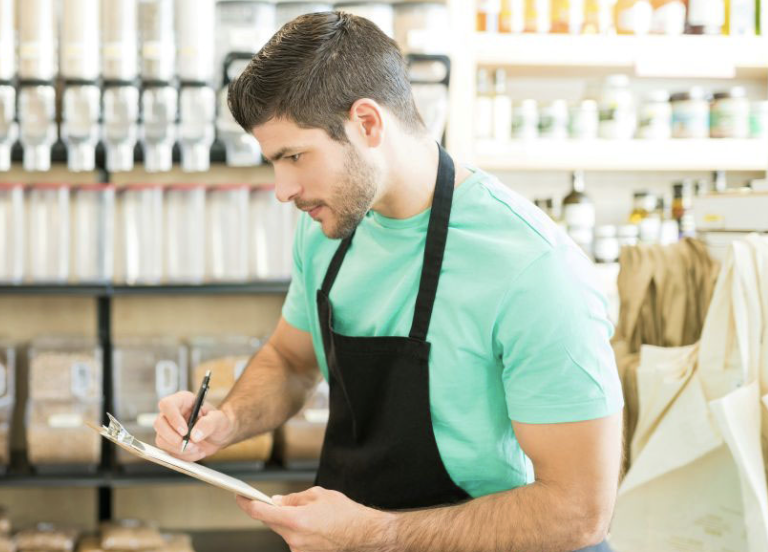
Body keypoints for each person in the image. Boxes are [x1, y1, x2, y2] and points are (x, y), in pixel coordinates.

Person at [153, 11, 623, 552]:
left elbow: (580, 510)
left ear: (368, 124)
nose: (282, 189)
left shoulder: (532, 267)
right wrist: (225, 421)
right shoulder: (328, 227)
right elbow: (291, 360)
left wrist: (380, 534)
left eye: (294, 156)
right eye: (273, 162)